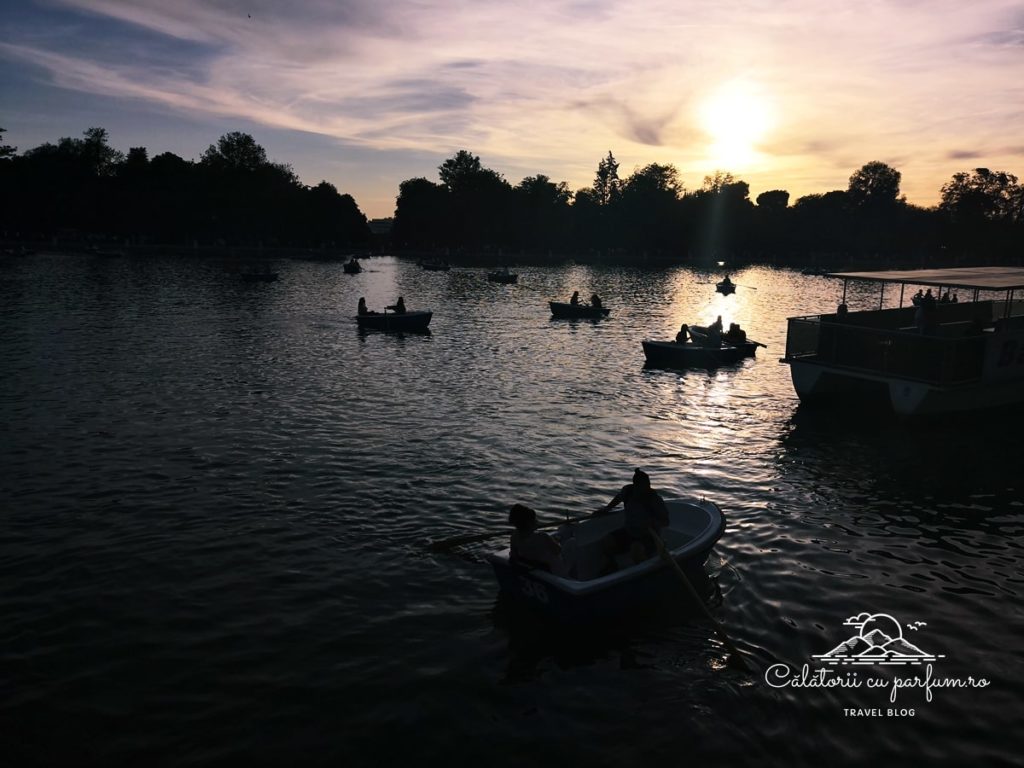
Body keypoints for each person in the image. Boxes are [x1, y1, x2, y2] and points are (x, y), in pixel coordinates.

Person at [593, 469, 669, 573]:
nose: (648, 488)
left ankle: (644, 572)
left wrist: (653, 523)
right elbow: (618, 498)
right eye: (644, 486)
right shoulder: (628, 492)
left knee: (636, 549)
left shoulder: (654, 499)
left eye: (648, 485)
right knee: (606, 541)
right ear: (636, 485)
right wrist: (607, 508)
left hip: (648, 537)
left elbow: (666, 521)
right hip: (629, 531)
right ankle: (612, 565)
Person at [508, 504, 568, 576]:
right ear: (529, 522)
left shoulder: (514, 536)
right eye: (535, 519)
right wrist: (556, 541)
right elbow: (558, 551)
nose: (537, 521)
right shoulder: (542, 536)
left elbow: (513, 555)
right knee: (571, 543)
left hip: (536, 568)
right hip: (555, 570)